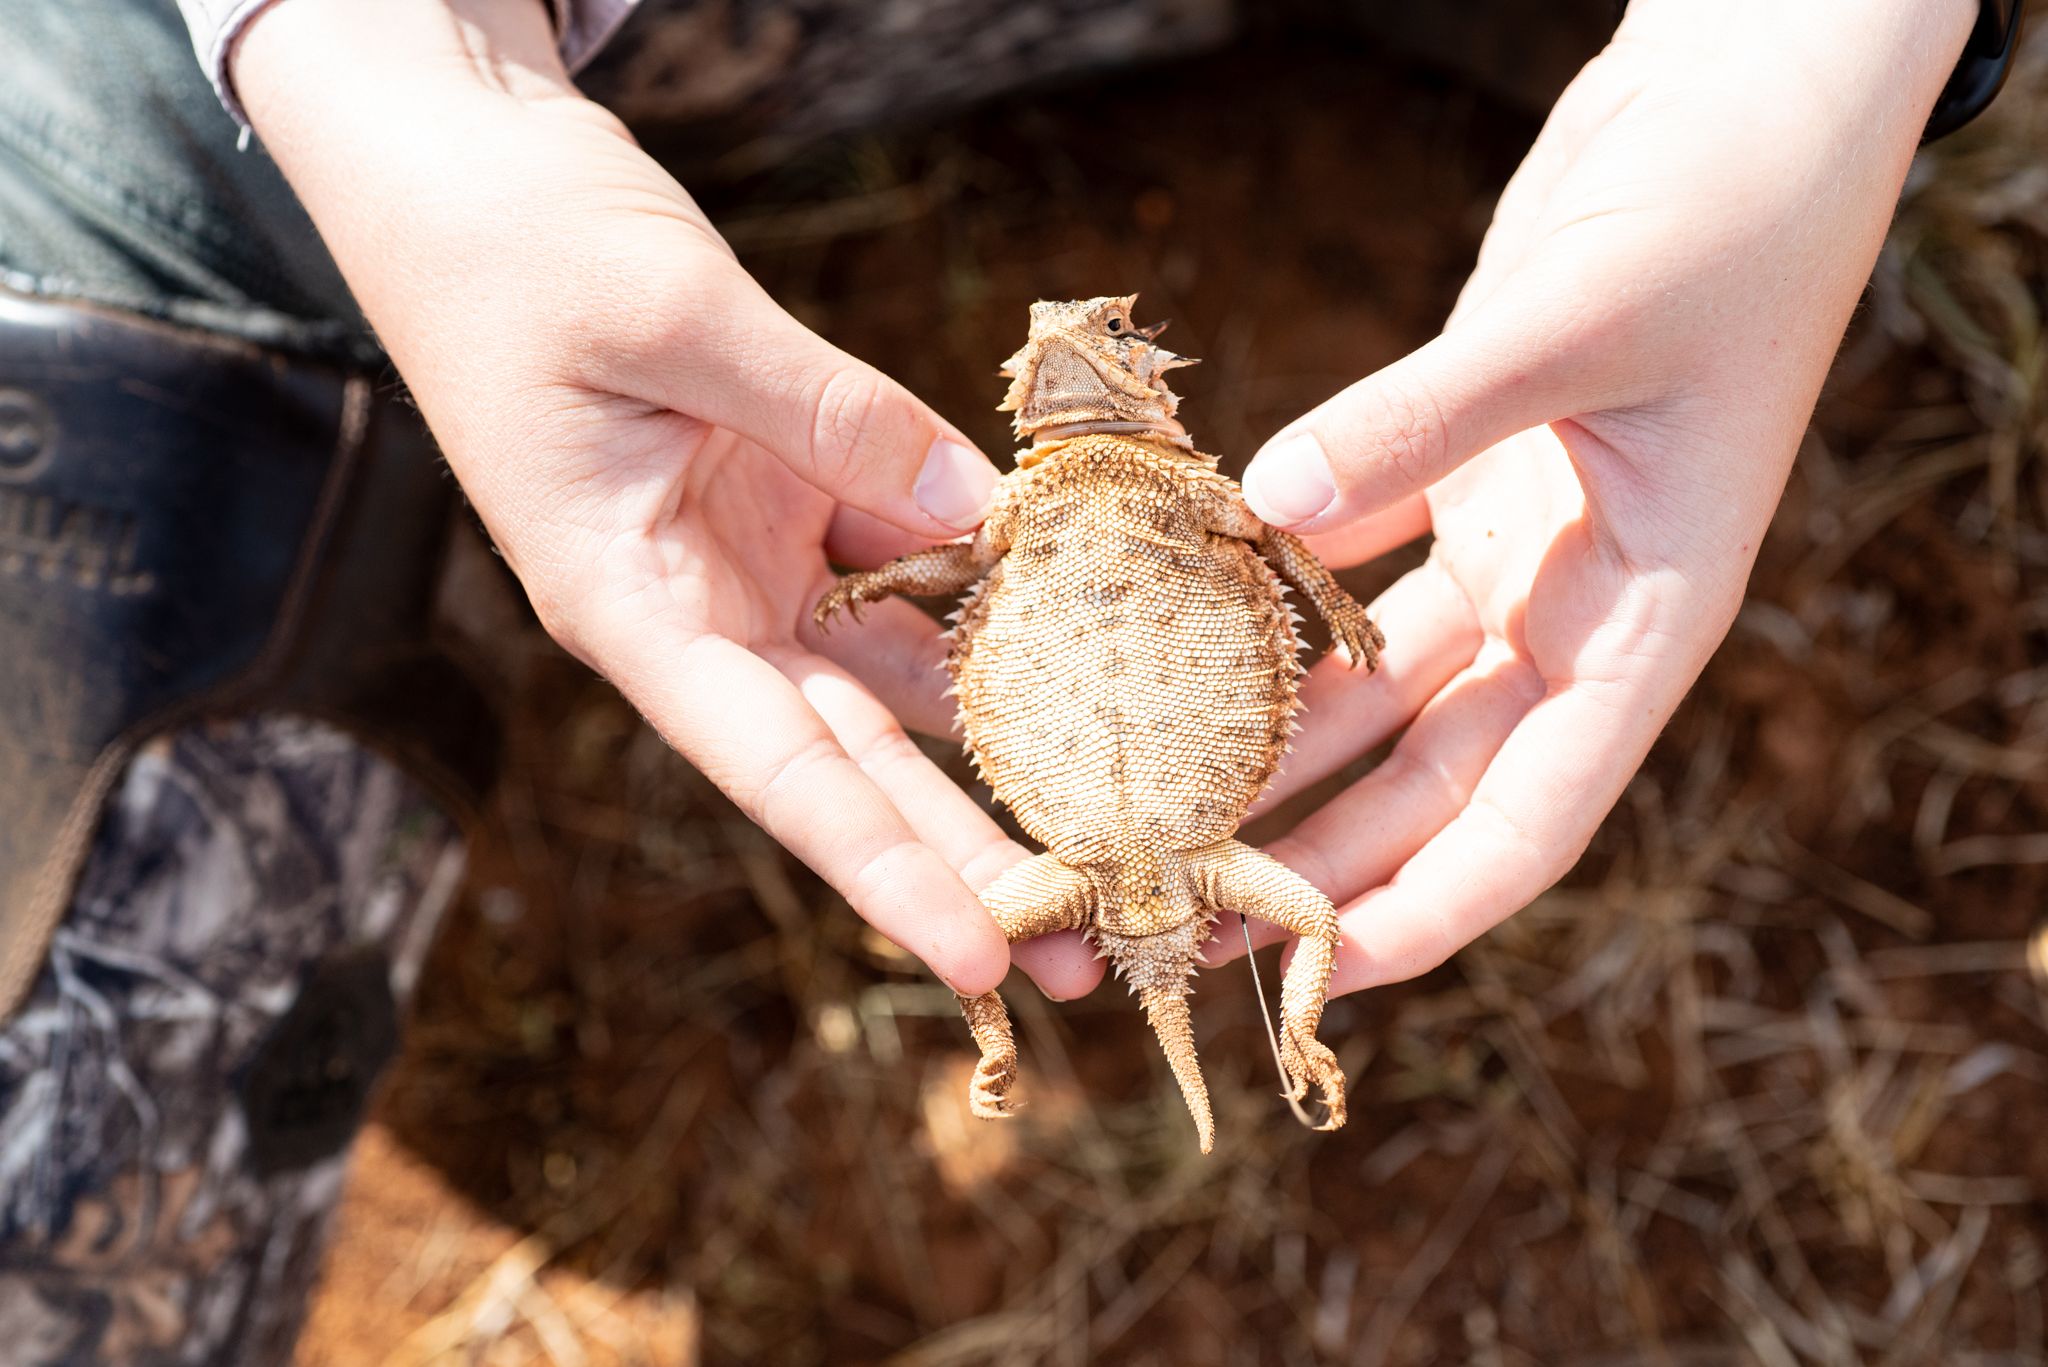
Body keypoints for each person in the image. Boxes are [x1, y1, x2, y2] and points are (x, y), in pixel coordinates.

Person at [0, 0, 2011, 1360]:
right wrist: (402, 85)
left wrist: (1811, 62)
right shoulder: (1071, 522)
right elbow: (1047, 571)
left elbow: (1265, 585)